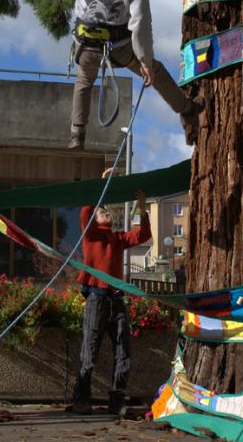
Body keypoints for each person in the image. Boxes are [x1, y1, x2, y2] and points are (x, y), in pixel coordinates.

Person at [68, 0, 200, 150]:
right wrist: (145, 61)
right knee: (155, 72)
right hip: (117, 47)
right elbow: (139, 23)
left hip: (85, 43)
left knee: (84, 81)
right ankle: (188, 110)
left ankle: (77, 133)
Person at [71, 174, 151, 416]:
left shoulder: (117, 238)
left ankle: (116, 400)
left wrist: (142, 206)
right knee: (90, 349)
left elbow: (141, 235)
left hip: (116, 298)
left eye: (107, 211)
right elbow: (85, 214)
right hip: (96, 297)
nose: (107, 212)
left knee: (123, 349)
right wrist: (100, 187)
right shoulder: (91, 235)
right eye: (102, 211)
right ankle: (81, 398)